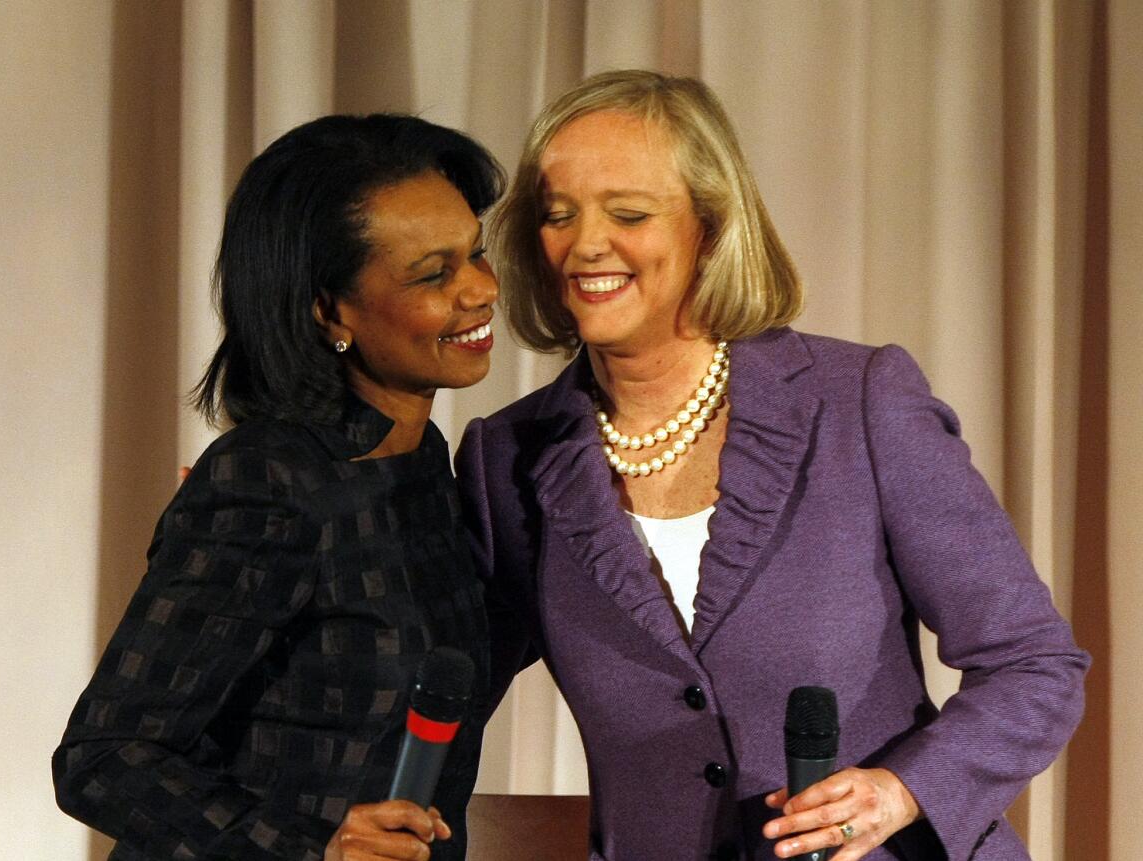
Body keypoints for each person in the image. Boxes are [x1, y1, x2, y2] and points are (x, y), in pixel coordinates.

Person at [455, 70, 1089, 861]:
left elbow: (1034, 664)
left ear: (711, 230)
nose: (586, 244)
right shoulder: (507, 457)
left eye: (629, 213)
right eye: (558, 215)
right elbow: (443, 686)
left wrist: (901, 791)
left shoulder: (858, 401)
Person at [53, 113, 503, 861]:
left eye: (477, 254)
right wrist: (311, 849)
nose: (482, 290)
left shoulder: (421, 457)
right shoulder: (266, 481)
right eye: (435, 273)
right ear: (331, 310)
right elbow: (104, 756)